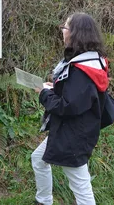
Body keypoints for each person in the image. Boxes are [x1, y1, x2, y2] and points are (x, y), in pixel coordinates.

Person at [31, 13, 109, 205]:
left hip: (73, 135)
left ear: (76, 33)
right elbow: (77, 97)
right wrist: (54, 88)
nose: (62, 31)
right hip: (73, 130)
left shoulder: (81, 70)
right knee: (38, 159)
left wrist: (44, 93)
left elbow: (67, 106)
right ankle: (44, 200)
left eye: (65, 27)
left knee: (80, 186)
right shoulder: (91, 60)